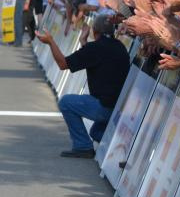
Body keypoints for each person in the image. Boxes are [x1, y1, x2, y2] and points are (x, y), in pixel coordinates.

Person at [36, 15, 129, 158]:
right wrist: (83, 41)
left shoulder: (95, 48)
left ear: (94, 31)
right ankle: (122, 144)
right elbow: (98, 58)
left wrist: (50, 42)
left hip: (104, 107)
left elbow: (63, 64)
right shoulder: (120, 47)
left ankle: (83, 146)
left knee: (66, 102)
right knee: (95, 132)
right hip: (120, 108)